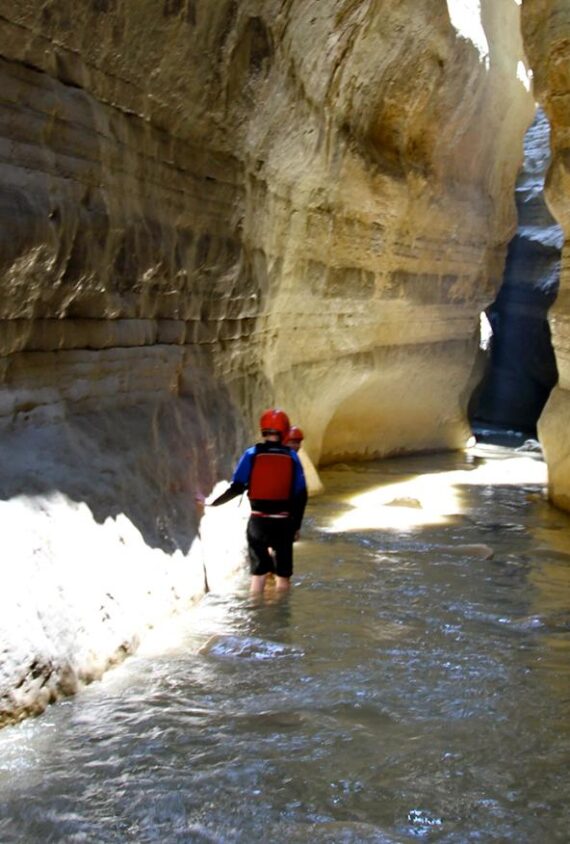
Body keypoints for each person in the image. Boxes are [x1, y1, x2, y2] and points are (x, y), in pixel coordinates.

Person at [202, 409, 307, 594]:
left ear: (263, 430)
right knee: (283, 576)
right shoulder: (292, 457)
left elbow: (237, 487)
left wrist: (211, 502)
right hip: (283, 523)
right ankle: (281, 616)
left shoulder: (252, 454)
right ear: (284, 431)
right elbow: (300, 494)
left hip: (258, 522)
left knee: (258, 575)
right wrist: (296, 526)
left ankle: (255, 616)